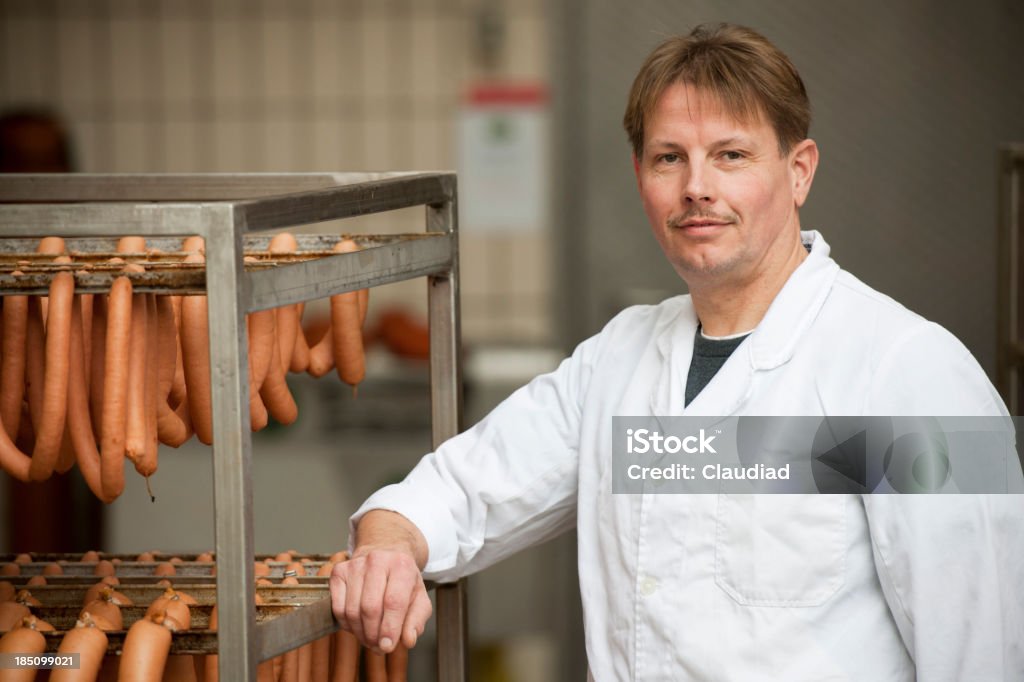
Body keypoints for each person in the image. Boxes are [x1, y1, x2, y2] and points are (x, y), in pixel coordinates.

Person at [330, 24, 1024, 680]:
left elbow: (984, 651)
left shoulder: (912, 374)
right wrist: (391, 542)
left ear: (799, 170)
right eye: (670, 158)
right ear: (641, 177)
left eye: (731, 154)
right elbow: (459, 490)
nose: (697, 187)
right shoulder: (620, 360)